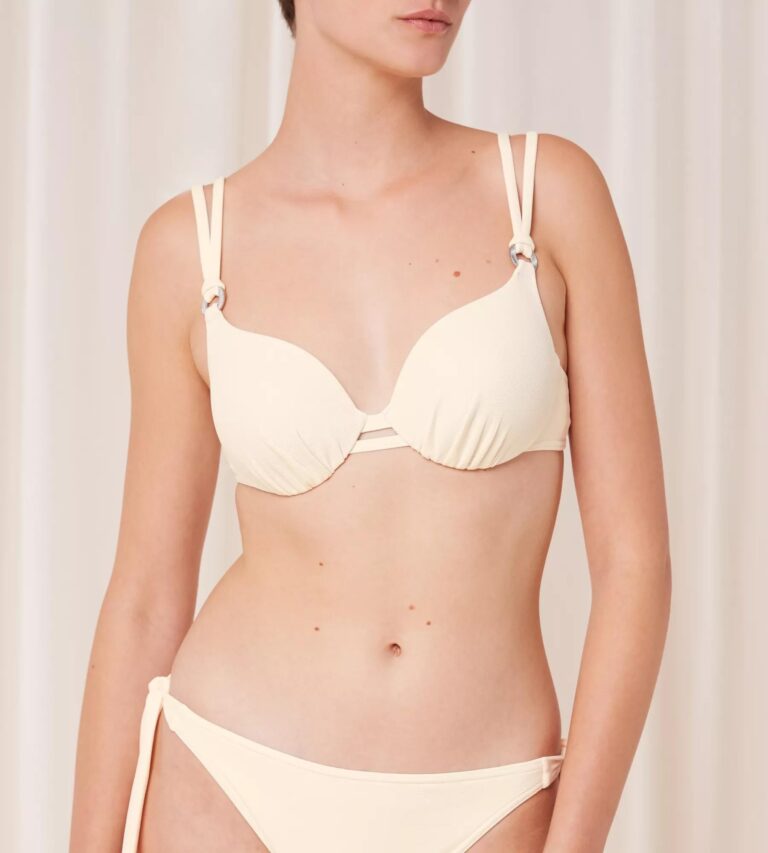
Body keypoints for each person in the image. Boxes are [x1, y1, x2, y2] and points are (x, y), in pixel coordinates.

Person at [69, 2, 672, 851]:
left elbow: (635, 566)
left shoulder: (544, 196)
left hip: (485, 799)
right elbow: (144, 597)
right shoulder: (191, 248)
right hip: (227, 778)